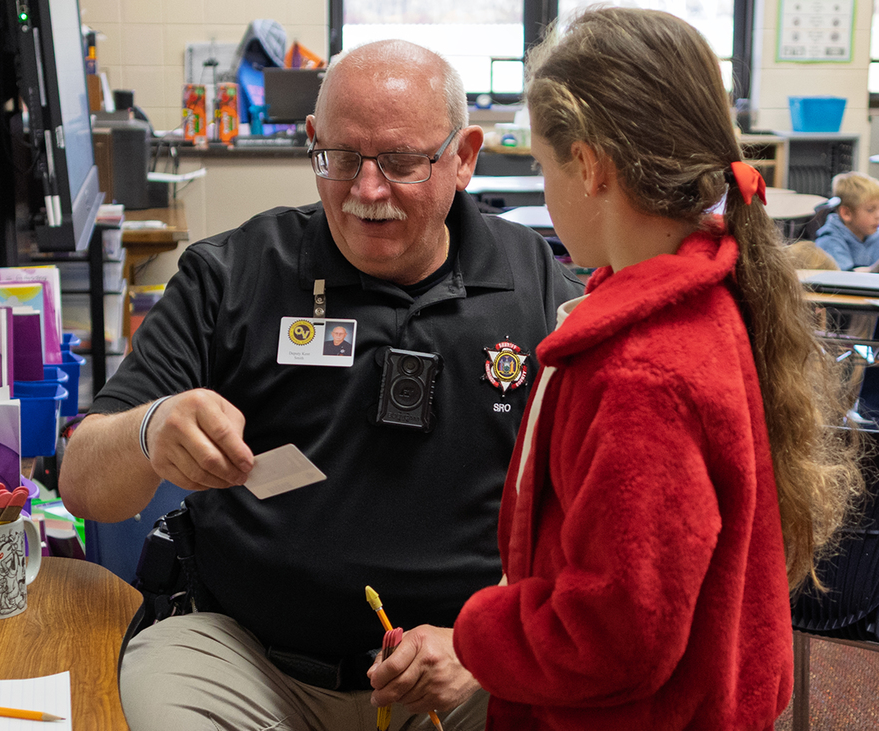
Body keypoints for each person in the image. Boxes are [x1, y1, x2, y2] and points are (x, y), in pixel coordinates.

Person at [59, 39, 584, 731]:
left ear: (464, 157)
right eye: (339, 158)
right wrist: (150, 431)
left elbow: (594, 519)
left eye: (400, 162)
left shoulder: (538, 288)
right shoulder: (234, 274)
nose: (367, 191)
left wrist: (487, 643)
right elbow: (83, 485)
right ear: (311, 140)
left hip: (465, 668)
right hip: (249, 661)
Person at [452, 8, 862, 730]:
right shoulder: (701, 291)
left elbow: (616, 636)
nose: (545, 190)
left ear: (589, 166)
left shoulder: (642, 373)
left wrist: (478, 632)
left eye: (545, 167)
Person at [814, 171, 879, 270]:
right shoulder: (829, 241)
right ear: (846, 213)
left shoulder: (874, 235)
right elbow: (844, 277)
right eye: (870, 210)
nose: (878, 215)